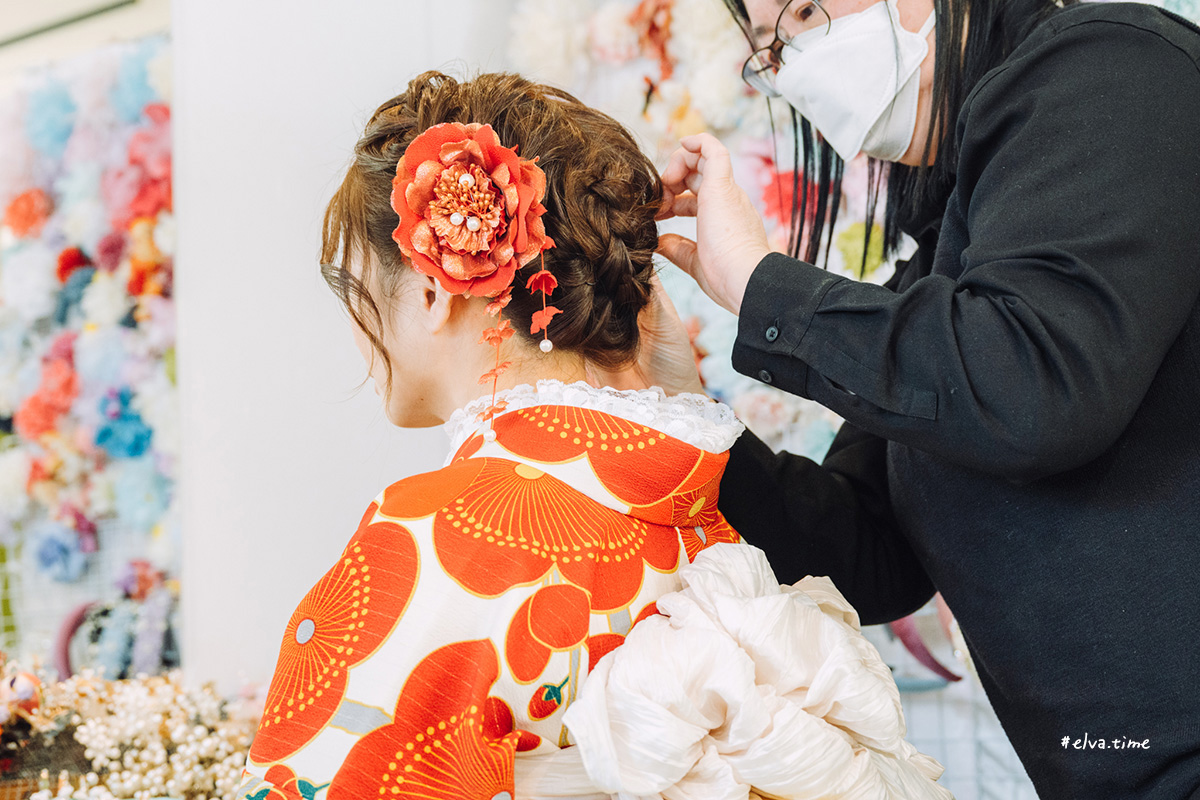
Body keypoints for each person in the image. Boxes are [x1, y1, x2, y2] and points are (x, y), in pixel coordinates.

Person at [235, 72, 954, 800]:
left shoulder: (429, 539)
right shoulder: (720, 519)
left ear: (432, 287)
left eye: (357, 295)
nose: (358, 334)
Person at [644, 0, 1200, 797]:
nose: (797, 58)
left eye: (804, 11)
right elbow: (869, 554)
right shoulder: (943, 265)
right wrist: (675, 402)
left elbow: (1036, 390)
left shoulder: (1116, 67)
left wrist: (760, 284)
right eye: (771, 50)